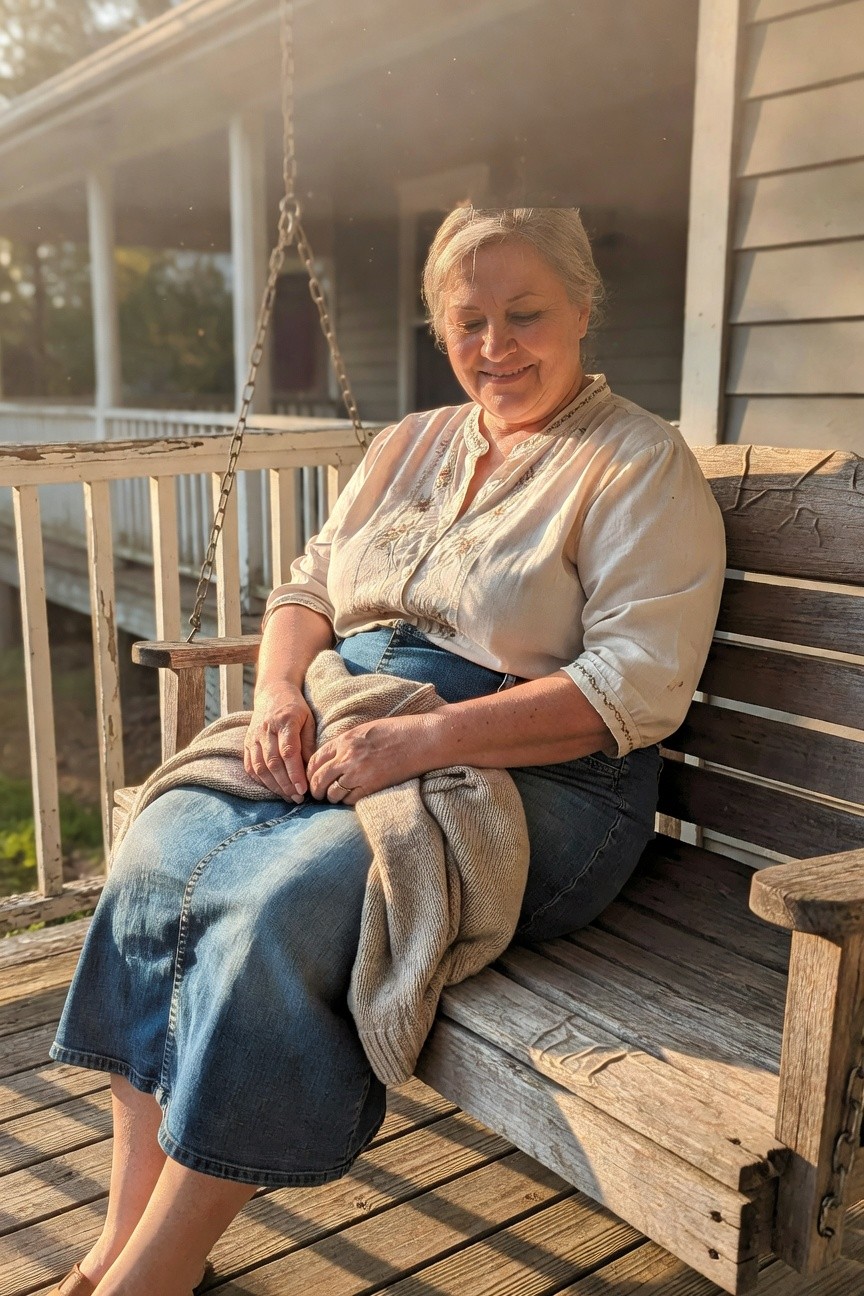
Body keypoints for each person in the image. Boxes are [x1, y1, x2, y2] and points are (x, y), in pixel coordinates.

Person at [48, 206, 726, 1296]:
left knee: (286, 903)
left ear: (584, 311)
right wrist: (276, 692)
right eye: (469, 322)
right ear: (438, 329)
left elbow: (637, 686)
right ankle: (117, 1236)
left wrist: (423, 739)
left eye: (525, 314)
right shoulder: (408, 442)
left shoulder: (637, 464)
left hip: (540, 775)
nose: (495, 345)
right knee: (158, 853)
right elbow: (310, 588)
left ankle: (158, 1275)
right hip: (349, 720)